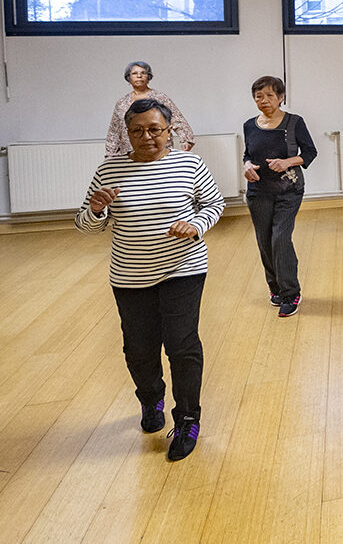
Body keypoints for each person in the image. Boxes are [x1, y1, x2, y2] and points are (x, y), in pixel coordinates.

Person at [77, 98, 224, 462]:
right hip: (130, 276)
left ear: (168, 130)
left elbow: (215, 204)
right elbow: (86, 225)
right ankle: (151, 398)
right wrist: (96, 210)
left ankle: (187, 419)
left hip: (183, 268)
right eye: (137, 130)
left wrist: (195, 225)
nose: (147, 137)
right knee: (139, 349)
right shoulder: (109, 170)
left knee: (181, 344)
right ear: (126, 134)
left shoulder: (189, 164)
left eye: (155, 129)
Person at [242, 76, 317, 318]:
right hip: (258, 192)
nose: (263, 100)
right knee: (264, 241)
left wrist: (287, 162)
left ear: (281, 97)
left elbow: (310, 152)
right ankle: (275, 288)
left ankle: (291, 293)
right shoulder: (249, 125)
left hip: (289, 190)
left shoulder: (294, 122)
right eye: (258, 96)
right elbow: (247, 154)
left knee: (280, 239)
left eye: (269, 95)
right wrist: (247, 166)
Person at [105, 61, 194, 157]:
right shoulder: (122, 103)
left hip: (158, 150)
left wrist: (186, 140)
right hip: (131, 153)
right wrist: (110, 154)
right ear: (128, 78)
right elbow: (114, 131)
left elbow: (177, 119)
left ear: (148, 77)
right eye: (134, 73)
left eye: (143, 73)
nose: (139, 76)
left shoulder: (160, 98)